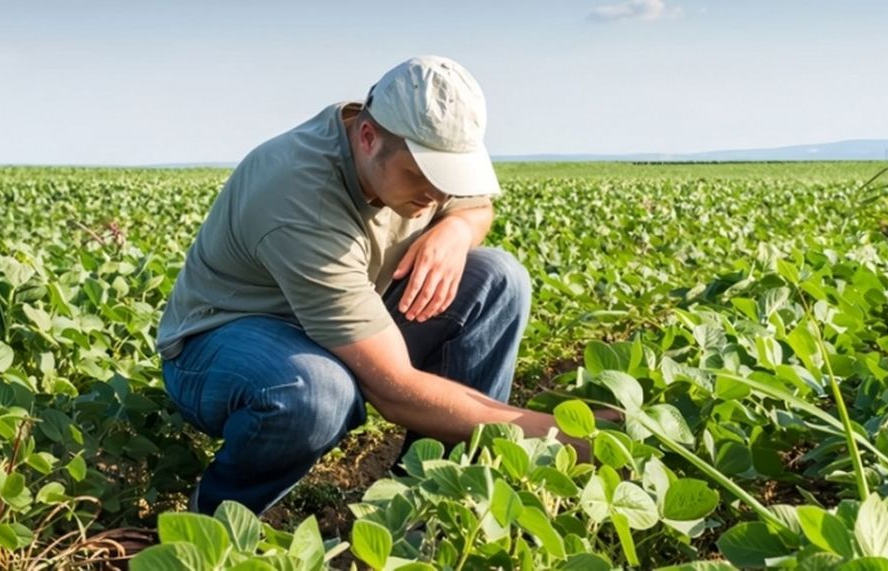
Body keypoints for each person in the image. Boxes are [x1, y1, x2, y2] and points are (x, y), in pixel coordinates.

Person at [157, 55, 593, 516]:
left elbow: (475, 207)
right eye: (423, 176)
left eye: (449, 179)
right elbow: (394, 388)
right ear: (368, 138)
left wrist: (456, 231)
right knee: (317, 392)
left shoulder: (409, 151)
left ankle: (430, 502)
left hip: (340, 323)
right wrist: (562, 439)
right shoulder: (299, 195)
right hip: (224, 344)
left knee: (498, 278)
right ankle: (217, 518)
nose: (437, 196)